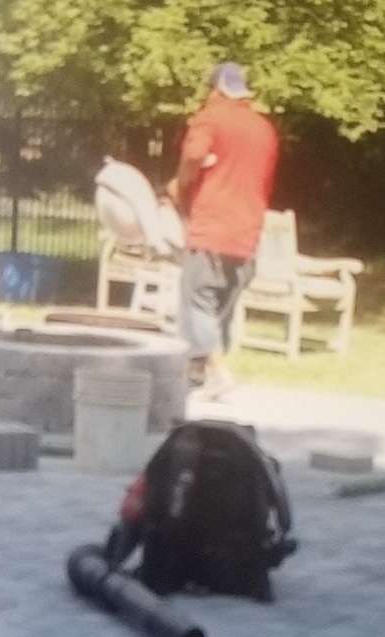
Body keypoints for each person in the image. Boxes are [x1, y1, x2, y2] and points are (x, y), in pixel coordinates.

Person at [167, 62, 279, 399]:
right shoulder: (265, 129)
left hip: (212, 227)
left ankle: (217, 372)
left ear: (216, 90)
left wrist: (180, 186)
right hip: (248, 233)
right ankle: (196, 374)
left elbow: (193, 158)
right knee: (220, 306)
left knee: (198, 299)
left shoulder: (210, 117)